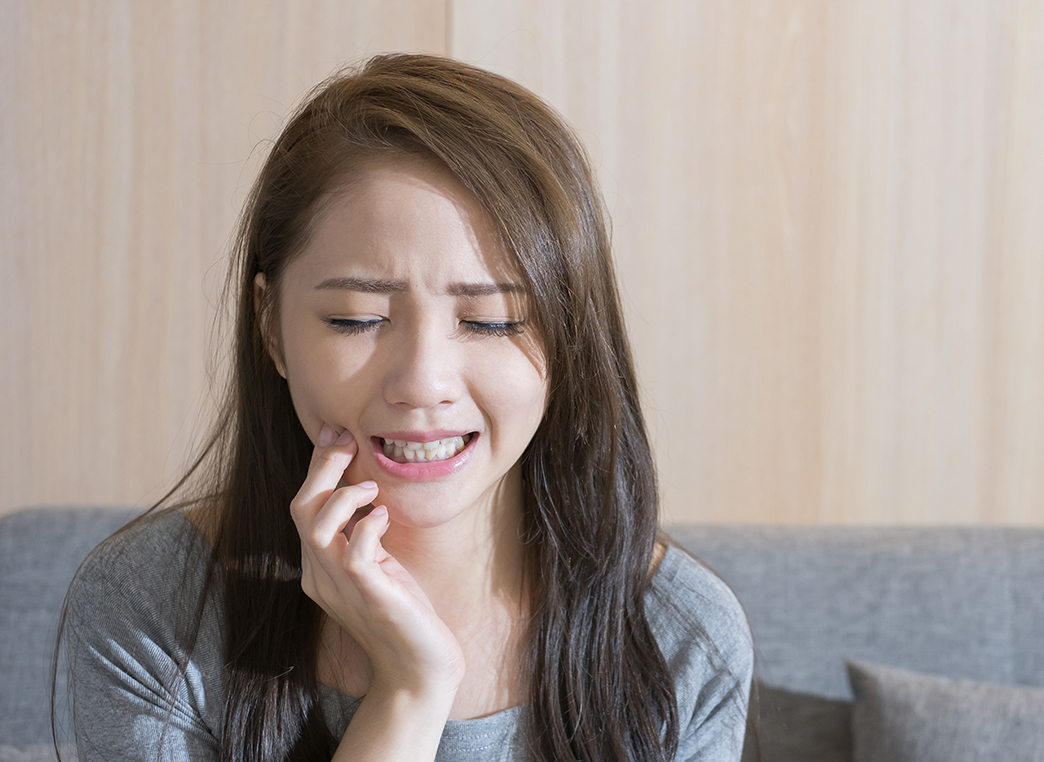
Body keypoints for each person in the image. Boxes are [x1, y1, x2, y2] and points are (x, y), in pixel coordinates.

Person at [62, 53, 753, 761]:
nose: (423, 382)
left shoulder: (681, 636)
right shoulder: (151, 606)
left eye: (490, 321)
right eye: (357, 318)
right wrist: (410, 691)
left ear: (570, 339)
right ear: (271, 327)